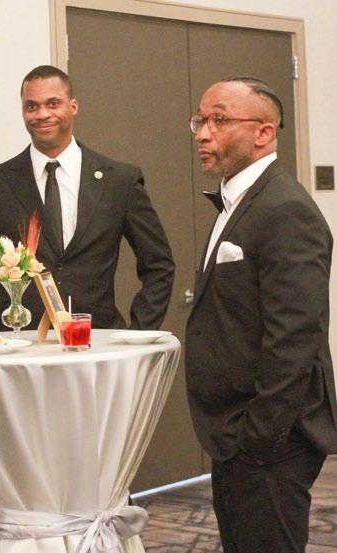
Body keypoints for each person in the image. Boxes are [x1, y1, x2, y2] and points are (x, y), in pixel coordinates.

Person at [185, 77, 337, 552]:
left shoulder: (285, 208)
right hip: (237, 434)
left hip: (270, 440)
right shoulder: (240, 200)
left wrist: (257, 439)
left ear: (264, 133)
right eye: (200, 120)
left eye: (219, 120)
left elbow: (295, 337)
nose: (203, 133)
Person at [0, 65, 174, 330]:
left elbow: (158, 265)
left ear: (73, 106)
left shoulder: (120, 181)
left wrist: (139, 334)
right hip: (21, 341)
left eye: (53, 103)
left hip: (98, 341)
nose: (42, 114)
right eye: (31, 106)